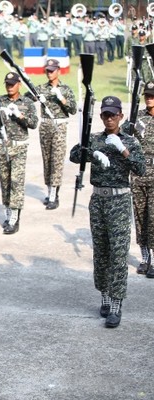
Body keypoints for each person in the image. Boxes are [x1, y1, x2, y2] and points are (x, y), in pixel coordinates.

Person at [70, 95, 145, 328]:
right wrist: (92, 153)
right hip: (99, 201)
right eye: (105, 114)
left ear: (121, 116)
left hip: (120, 200)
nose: (109, 118)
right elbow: (74, 155)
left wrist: (123, 150)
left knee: (119, 254)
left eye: (113, 114)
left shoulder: (130, 142)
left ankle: (116, 303)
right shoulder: (94, 139)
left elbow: (141, 168)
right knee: (101, 251)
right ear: (101, 116)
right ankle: (104, 295)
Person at [0, 73, 38, 234]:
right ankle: (8, 213)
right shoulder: (0, 100)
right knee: (5, 182)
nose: (10, 86)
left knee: (16, 181)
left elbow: (34, 123)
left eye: (13, 84)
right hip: (2, 146)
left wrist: (19, 115)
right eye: (7, 84)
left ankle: (14, 218)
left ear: (19, 84)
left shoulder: (27, 102)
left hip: (19, 147)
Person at [31, 59, 77, 210]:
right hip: (45, 125)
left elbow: (73, 110)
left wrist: (62, 99)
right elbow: (26, 96)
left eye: (52, 70)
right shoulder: (41, 88)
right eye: (47, 70)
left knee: (57, 159)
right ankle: (49, 189)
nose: (49, 73)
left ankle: (54, 195)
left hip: (59, 126)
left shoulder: (65, 89)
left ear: (59, 71)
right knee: (47, 159)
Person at [121, 81, 154, 277]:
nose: (149, 98)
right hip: (139, 172)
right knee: (140, 215)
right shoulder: (139, 117)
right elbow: (122, 133)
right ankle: (145, 257)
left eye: (152, 95)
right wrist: (130, 121)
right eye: (147, 95)